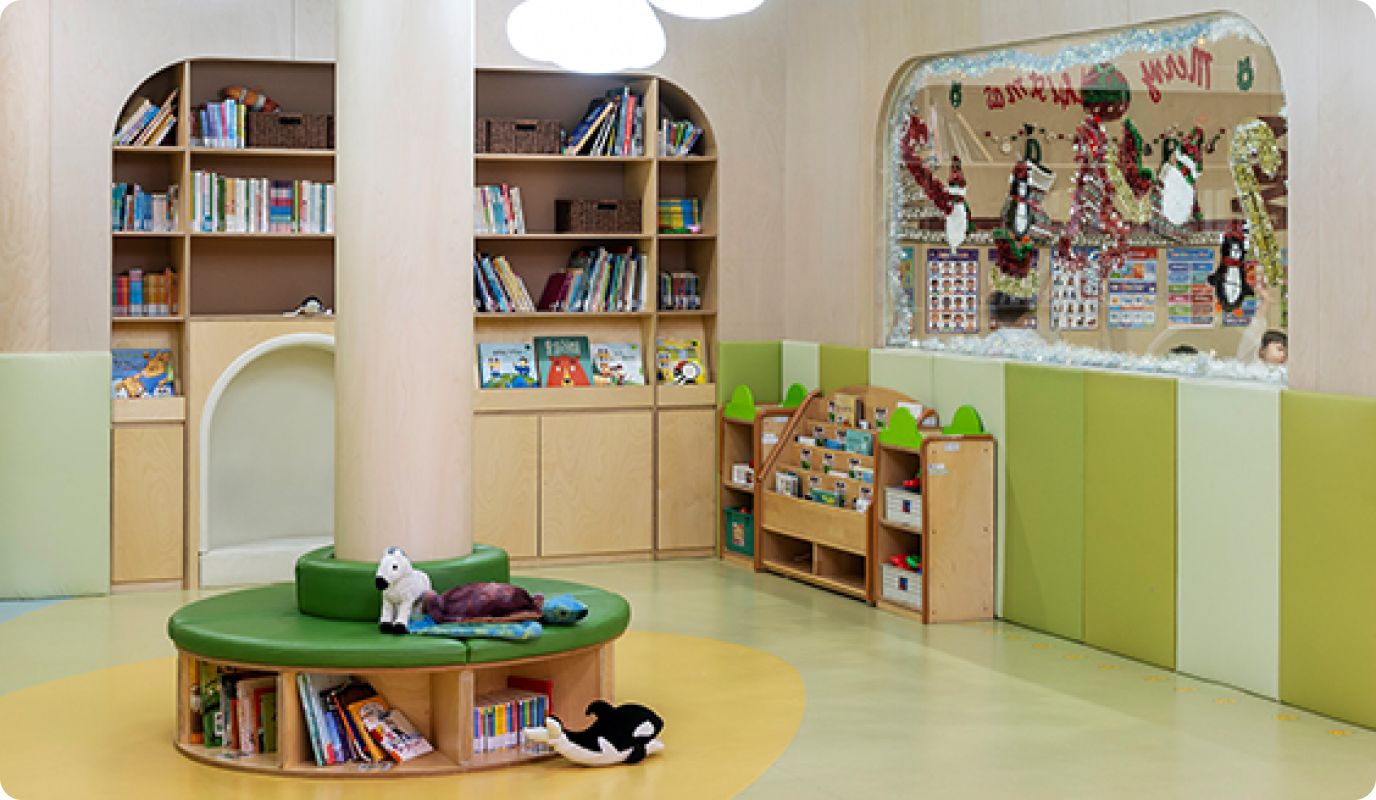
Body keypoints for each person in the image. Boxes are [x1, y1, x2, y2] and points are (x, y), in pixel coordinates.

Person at [1235, 280, 1287, 365]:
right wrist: (1265, 301)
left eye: (1285, 353)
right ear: (1262, 350)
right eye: (1279, 349)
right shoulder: (1247, 359)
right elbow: (1257, 324)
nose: (1283, 355)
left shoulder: (1277, 369)